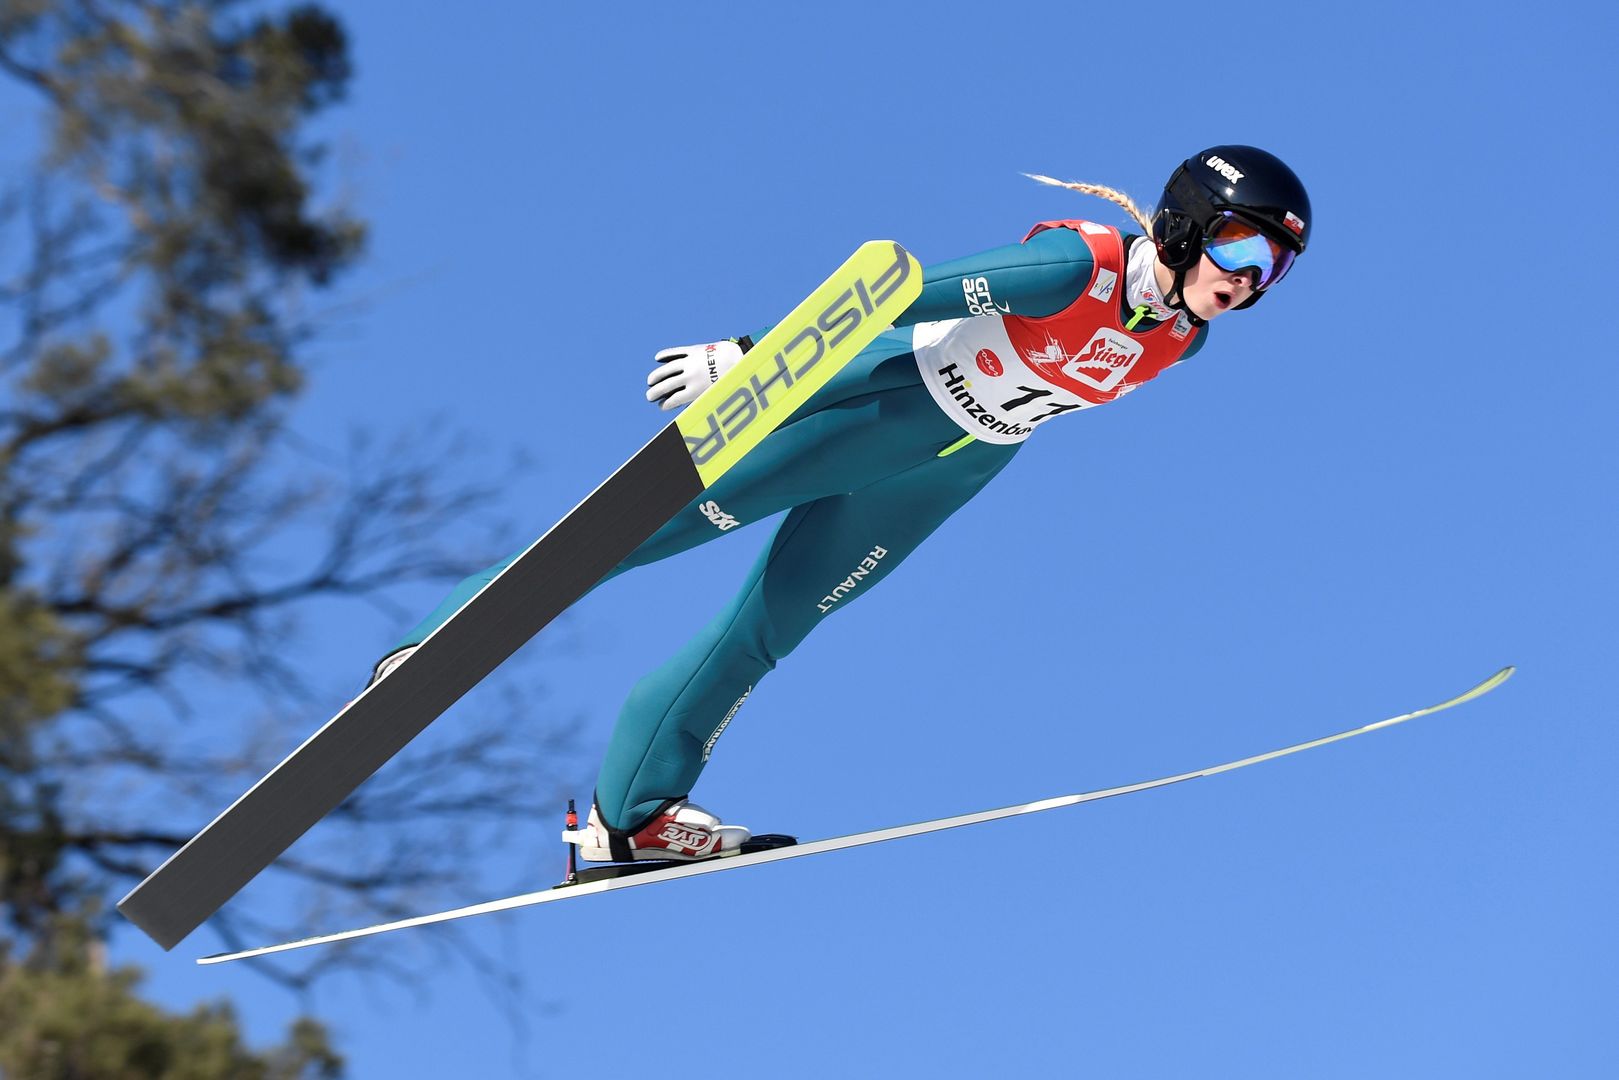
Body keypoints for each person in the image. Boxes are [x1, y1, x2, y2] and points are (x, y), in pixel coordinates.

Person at [370, 145, 1313, 864]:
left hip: (945, 472)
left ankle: (632, 819)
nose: (1245, 280)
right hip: (874, 407)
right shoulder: (1078, 267)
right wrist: (753, 355)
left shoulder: (1181, 342)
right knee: (629, 540)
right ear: (1188, 223)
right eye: (1239, 247)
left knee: (768, 630)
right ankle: (436, 644)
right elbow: (904, 290)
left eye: (1269, 270)